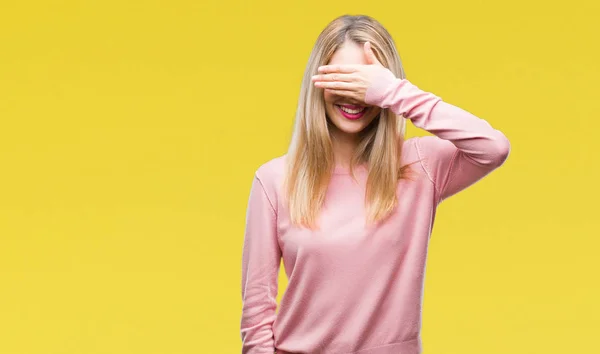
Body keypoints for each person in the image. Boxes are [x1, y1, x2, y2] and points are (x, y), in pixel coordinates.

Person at [240, 14, 510, 354]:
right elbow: (257, 315)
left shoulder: (420, 167)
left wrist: (396, 93)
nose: (355, 96)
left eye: (365, 82)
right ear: (316, 83)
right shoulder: (275, 180)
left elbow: (493, 147)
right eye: (342, 79)